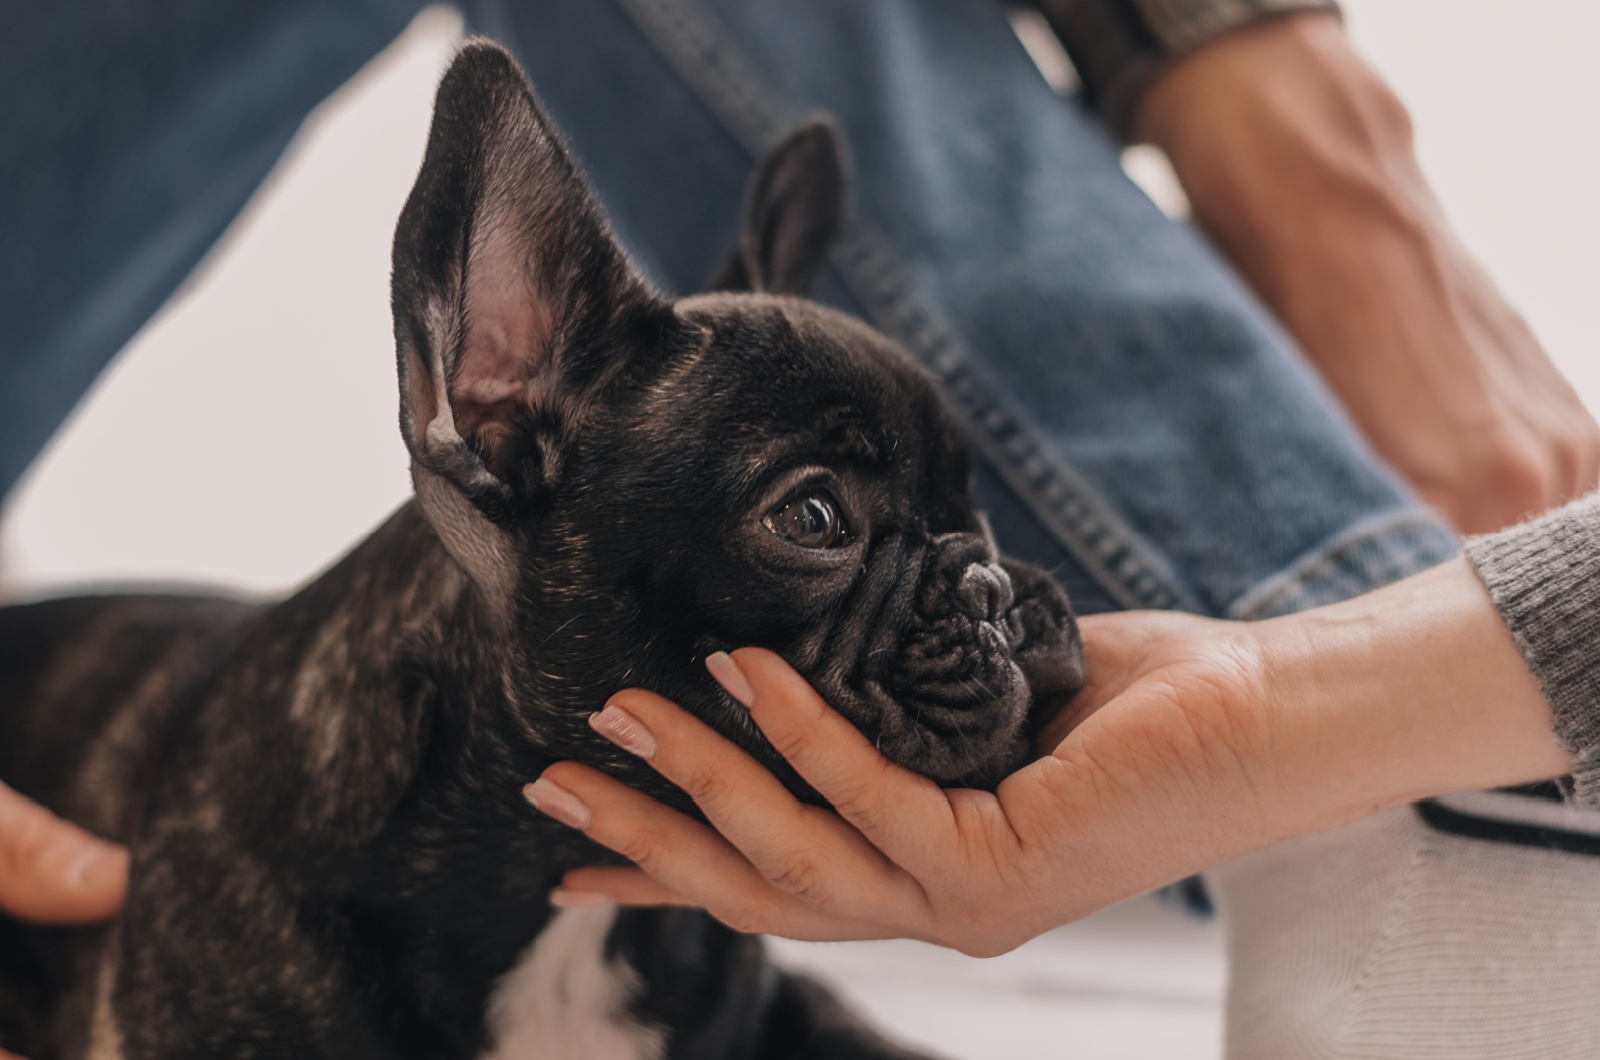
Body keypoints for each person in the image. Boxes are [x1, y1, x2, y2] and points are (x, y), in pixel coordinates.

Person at [2, 0, 1595, 1054]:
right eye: (819, 517)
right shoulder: (261, 923)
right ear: (490, 411)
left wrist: (1252, 80)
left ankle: (1403, 762)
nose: (975, 591)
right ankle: (1432, 790)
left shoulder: (663, 922)